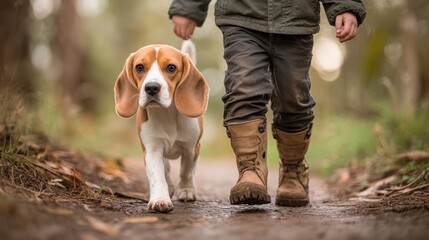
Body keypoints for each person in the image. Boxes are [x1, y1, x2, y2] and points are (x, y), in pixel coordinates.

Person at [168, 1, 366, 206]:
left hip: (295, 20)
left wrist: (345, 5)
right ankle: (250, 169)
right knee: (243, 89)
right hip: (241, 16)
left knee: (294, 98)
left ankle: (292, 170)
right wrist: (187, 7)